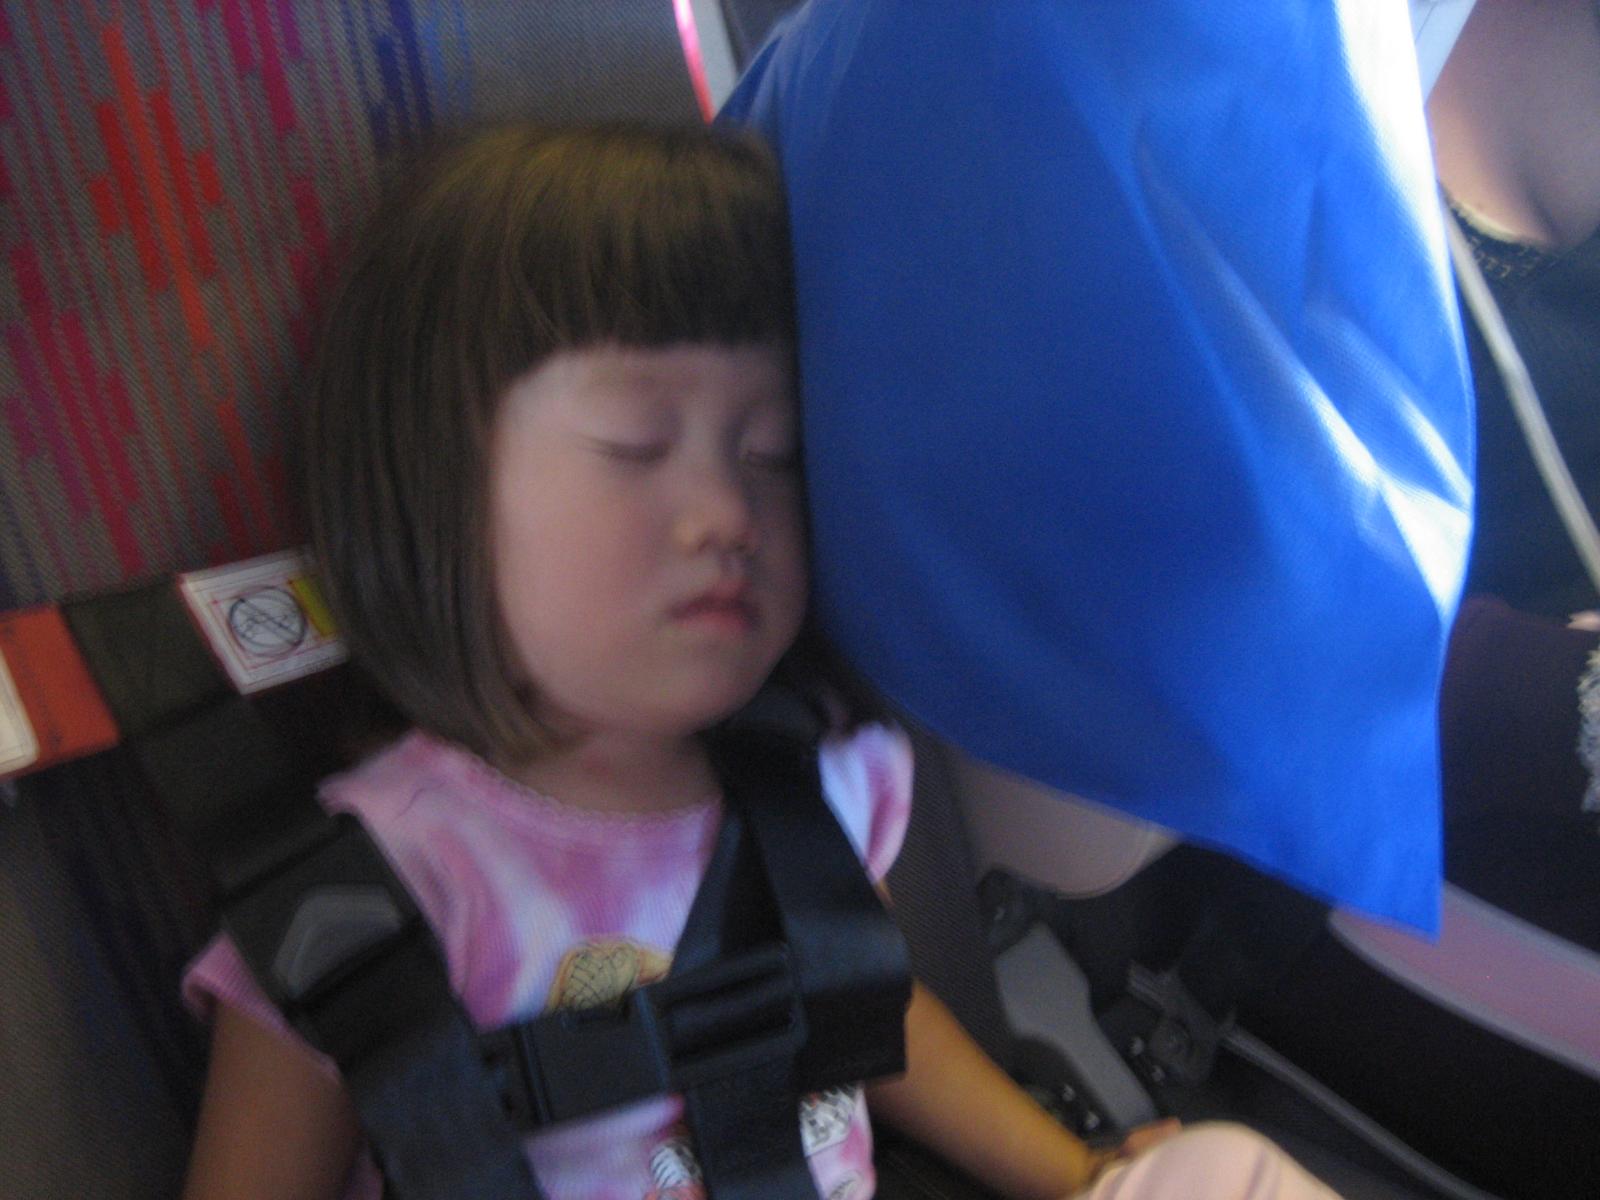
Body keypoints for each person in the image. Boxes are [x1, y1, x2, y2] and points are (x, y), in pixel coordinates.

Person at [178, 121, 1339, 1200]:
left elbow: (865, 1012)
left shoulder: (810, 778)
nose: (727, 513)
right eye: (636, 445)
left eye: (772, 452)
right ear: (438, 494)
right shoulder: (381, 889)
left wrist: (1077, 1174)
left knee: (1221, 1177)